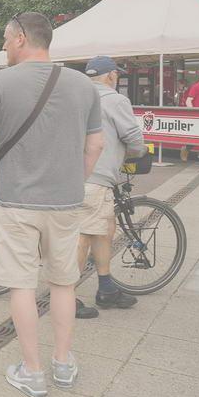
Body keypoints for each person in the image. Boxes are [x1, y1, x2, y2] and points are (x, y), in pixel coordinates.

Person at [0, 12, 104, 397]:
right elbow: (96, 144)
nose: (4, 46)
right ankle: (63, 363)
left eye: (6, 39)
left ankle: (33, 371)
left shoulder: (0, 82)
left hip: (16, 201)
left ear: (21, 38)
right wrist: (75, 178)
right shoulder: (83, 84)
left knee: (22, 285)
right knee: (63, 283)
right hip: (66, 201)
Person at [74, 56, 148, 319]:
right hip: (95, 177)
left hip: (74, 175)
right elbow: (133, 138)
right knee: (84, 235)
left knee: (103, 231)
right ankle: (67, 297)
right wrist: (137, 152)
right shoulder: (115, 100)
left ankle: (106, 288)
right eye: (117, 74)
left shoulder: (76, 97)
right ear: (111, 76)